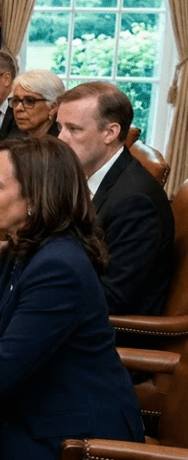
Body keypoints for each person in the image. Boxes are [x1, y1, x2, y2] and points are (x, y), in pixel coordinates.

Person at [0, 136, 144, 459]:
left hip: (73, 438)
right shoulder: (25, 241)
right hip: (34, 410)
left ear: (34, 201)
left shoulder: (58, 266)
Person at [56, 81, 174, 316]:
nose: (61, 138)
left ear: (110, 132)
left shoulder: (136, 202)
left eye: (74, 129)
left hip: (106, 335)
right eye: (59, 127)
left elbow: (112, 298)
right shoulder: (87, 173)